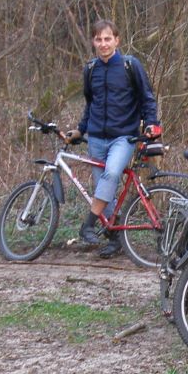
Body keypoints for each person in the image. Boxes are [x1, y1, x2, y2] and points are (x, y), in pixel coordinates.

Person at [66, 20, 162, 258]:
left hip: (124, 137)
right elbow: (91, 104)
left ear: (117, 41)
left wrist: (152, 124)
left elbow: (147, 97)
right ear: (93, 42)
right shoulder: (91, 70)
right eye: (98, 39)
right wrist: (80, 130)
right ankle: (114, 237)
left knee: (110, 175)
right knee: (103, 189)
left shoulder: (131, 66)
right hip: (97, 138)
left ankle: (88, 224)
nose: (103, 44)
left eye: (108, 39)